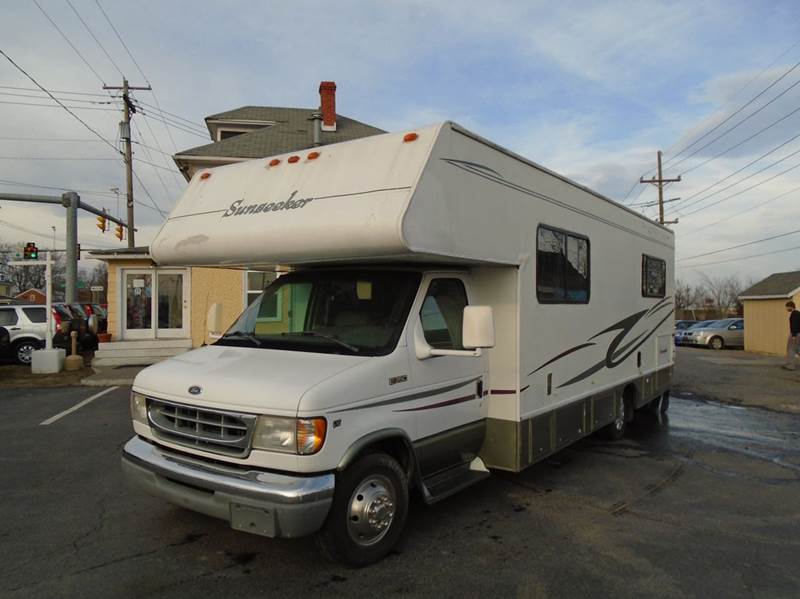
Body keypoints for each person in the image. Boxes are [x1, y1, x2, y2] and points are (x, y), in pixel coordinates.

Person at [783, 300, 800, 371]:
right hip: (798, 333)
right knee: (797, 349)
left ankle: (790, 366)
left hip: (795, 334)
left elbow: (794, 325)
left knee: (790, 349)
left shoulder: (794, 314)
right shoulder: (798, 313)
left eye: (787, 307)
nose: (786, 309)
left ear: (790, 306)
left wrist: (793, 335)